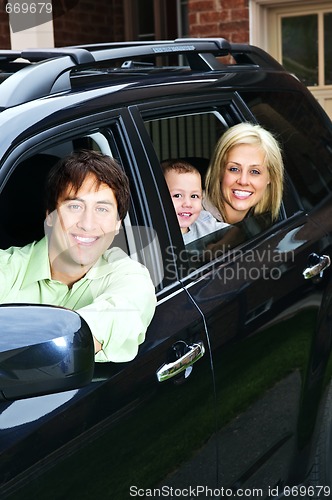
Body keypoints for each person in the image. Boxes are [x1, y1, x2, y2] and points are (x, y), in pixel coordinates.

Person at [0, 150, 156, 363]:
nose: (87, 224)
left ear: (117, 225)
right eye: (74, 206)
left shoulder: (130, 277)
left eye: (102, 209)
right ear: (50, 216)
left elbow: (77, 341)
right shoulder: (7, 266)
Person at [204, 122, 284, 224]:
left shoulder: (270, 222)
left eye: (254, 171)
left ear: (270, 177)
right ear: (219, 171)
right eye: (234, 169)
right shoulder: (189, 218)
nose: (243, 181)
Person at [161, 159, 228, 244]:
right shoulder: (153, 237)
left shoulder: (203, 221)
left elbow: (235, 232)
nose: (188, 204)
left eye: (194, 196)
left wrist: (217, 247)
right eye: (177, 195)